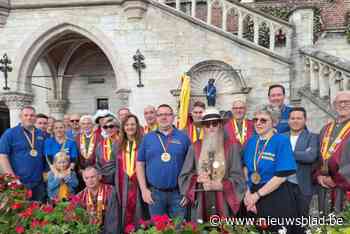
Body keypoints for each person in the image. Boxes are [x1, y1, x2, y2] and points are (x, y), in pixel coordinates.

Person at [179, 108, 245, 221]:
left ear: (220, 125)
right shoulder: (195, 147)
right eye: (207, 125)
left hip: (224, 200)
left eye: (214, 124)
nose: (211, 127)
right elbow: (184, 176)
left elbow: (238, 177)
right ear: (203, 127)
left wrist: (221, 185)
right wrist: (197, 179)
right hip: (201, 199)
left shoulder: (232, 146)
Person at [243, 105, 298, 233]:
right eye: (255, 119)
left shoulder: (281, 141)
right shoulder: (252, 141)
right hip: (251, 194)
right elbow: (246, 167)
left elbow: (281, 176)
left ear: (274, 122)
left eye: (263, 120)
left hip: (274, 195)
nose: (258, 123)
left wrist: (257, 195)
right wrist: (248, 193)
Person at [136, 104, 191, 219]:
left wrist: (188, 191)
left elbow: (191, 166)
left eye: (167, 114)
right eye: (160, 114)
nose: (163, 117)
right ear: (156, 117)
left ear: (173, 117)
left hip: (179, 194)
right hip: (155, 194)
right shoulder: (148, 138)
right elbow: (140, 164)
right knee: (157, 229)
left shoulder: (183, 138)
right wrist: (144, 190)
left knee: (179, 229)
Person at [0, 106, 47, 202]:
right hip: (19, 182)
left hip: (38, 182)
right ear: (20, 117)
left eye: (32, 115)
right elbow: (3, 156)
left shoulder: (41, 134)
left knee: (39, 211)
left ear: (35, 118)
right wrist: (12, 179)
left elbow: (45, 156)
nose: (29, 118)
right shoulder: (10, 133)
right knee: (21, 213)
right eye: (26, 115)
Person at [315, 91, 350, 213]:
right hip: (324, 185)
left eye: (347, 102)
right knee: (325, 225)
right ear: (334, 105)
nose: (343, 105)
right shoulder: (325, 129)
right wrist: (319, 175)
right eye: (340, 102)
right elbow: (318, 156)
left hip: (344, 187)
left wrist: (336, 179)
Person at [115, 114, 148, 231]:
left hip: (139, 184)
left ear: (137, 126)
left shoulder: (144, 142)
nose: (130, 127)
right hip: (122, 185)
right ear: (123, 127)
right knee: (124, 213)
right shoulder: (117, 144)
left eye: (133, 124)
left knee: (140, 213)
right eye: (127, 125)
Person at [285, 107, 318, 218]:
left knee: (302, 220)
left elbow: (310, 156)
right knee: (283, 219)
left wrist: (287, 154)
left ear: (305, 120)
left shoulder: (313, 137)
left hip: (302, 186)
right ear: (288, 120)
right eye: (292, 118)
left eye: (299, 118)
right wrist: (301, 153)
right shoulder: (280, 137)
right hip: (282, 185)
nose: (295, 121)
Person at [96, 117, 120, 184]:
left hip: (120, 178)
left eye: (111, 126)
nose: (108, 129)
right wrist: (99, 173)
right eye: (105, 127)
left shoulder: (123, 142)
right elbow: (98, 163)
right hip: (105, 179)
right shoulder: (100, 145)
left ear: (117, 128)